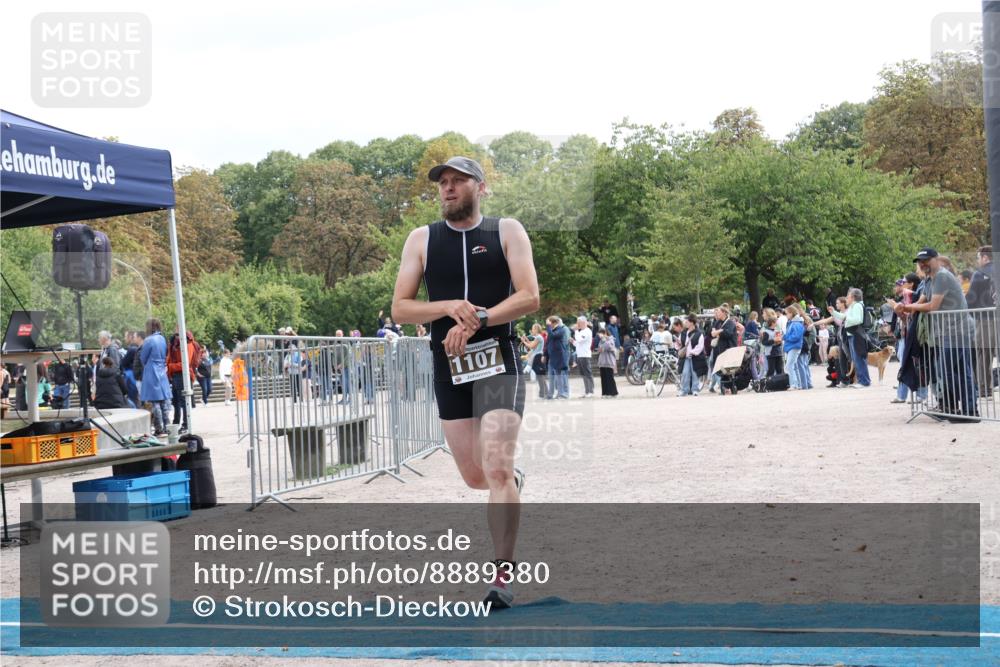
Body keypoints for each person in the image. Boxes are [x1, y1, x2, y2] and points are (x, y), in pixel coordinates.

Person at [390, 155, 539, 609]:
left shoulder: (506, 230)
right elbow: (401, 308)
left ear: (481, 187)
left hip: (498, 360)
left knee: (493, 467)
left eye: (459, 181)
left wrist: (480, 316)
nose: (449, 189)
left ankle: (501, 578)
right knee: (477, 477)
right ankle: (509, 481)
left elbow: (530, 297)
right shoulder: (421, 240)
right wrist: (448, 306)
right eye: (443, 183)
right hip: (449, 365)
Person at [902, 247, 978, 420]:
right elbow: (922, 300)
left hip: (956, 330)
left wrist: (909, 307)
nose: (922, 264)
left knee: (946, 371)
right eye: (920, 262)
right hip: (950, 330)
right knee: (958, 371)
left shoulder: (942, 276)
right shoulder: (931, 278)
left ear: (936, 259)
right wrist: (906, 308)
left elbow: (932, 306)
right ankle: (969, 411)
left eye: (926, 260)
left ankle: (969, 409)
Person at [965, 245, 996, 398]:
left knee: (984, 356)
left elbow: (970, 299)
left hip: (985, 320)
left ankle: (985, 390)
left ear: (985, 257)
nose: (978, 261)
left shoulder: (979, 274)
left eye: (978, 257)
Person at [829, 288, 871, 388]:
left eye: (848, 296)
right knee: (856, 359)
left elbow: (857, 320)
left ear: (853, 297)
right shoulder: (853, 306)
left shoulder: (857, 306)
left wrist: (846, 318)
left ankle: (864, 381)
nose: (846, 298)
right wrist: (834, 312)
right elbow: (844, 316)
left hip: (856, 334)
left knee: (859, 358)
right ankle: (862, 380)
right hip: (852, 335)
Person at [140, 319, 172, 436]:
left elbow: (143, 357)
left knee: (155, 402)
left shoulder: (148, 340)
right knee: (164, 401)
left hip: (151, 371)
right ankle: (167, 425)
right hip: (161, 370)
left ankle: (159, 428)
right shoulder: (162, 338)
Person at [167, 328, 200, 432]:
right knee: (176, 401)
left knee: (184, 401)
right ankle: (176, 422)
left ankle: (185, 424)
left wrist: (170, 367)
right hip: (177, 375)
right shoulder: (176, 344)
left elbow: (185, 363)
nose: (176, 335)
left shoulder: (187, 344)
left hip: (183, 375)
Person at [678, 314, 707, 396]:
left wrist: (692, 352)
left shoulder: (699, 333)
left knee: (695, 373)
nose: (685, 323)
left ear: (692, 323)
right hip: (686, 357)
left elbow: (700, 346)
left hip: (695, 357)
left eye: (687, 321)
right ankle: (684, 390)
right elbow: (681, 344)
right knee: (685, 373)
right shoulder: (683, 333)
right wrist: (678, 343)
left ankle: (695, 390)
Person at [543, 316, 571, 399]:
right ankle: (550, 394)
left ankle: (562, 393)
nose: (548, 325)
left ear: (554, 322)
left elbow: (553, 336)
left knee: (559, 376)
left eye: (549, 323)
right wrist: (545, 355)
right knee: (551, 376)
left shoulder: (561, 329)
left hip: (559, 357)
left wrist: (548, 327)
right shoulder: (551, 331)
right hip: (551, 357)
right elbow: (547, 344)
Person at [572, 316, 594, 398]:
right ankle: (587, 391)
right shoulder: (581, 331)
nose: (577, 324)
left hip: (585, 355)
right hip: (580, 355)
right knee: (583, 374)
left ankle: (590, 391)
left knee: (587, 373)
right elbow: (577, 343)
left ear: (584, 322)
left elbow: (579, 340)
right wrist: (572, 341)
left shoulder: (587, 331)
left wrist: (576, 331)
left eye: (578, 322)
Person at [597, 328, 619, 397]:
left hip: (609, 361)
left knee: (610, 378)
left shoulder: (611, 339)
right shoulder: (601, 341)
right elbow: (599, 348)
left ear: (605, 333)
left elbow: (608, 346)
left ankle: (613, 393)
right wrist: (602, 346)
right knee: (603, 378)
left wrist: (604, 341)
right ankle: (605, 393)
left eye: (600, 334)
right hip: (602, 361)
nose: (600, 336)